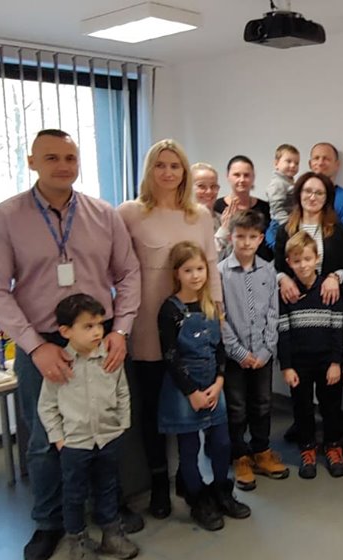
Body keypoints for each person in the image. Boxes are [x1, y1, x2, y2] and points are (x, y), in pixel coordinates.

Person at [0, 128, 141, 560]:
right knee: (45, 438)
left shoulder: (103, 214)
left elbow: (128, 274)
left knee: (105, 426)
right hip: (43, 344)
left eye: (70, 157)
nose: (63, 166)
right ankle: (50, 522)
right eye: (51, 157)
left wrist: (120, 330)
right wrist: (35, 347)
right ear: (32, 162)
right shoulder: (6, 217)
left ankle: (108, 513)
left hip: (99, 338)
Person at [118, 139, 222, 520]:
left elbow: (211, 265)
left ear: (185, 171)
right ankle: (159, 482)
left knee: (190, 404)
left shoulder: (200, 215)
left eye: (175, 165)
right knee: (152, 411)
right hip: (147, 324)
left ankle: (188, 480)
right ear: (149, 170)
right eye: (160, 165)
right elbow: (117, 268)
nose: (167, 172)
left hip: (192, 328)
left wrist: (217, 314)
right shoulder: (129, 213)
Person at [37, 294, 138, 560]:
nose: (97, 332)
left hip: (108, 438)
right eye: (88, 326)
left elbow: (122, 392)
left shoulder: (110, 359)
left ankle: (111, 534)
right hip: (75, 444)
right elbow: (47, 406)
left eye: (99, 324)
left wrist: (122, 425)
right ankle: (78, 541)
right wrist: (59, 439)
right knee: (74, 494)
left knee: (108, 487)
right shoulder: (60, 366)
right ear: (65, 331)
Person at [158, 241, 251, 531]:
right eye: (188, 270)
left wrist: (219, 381)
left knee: (222, 442)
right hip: (185, 390)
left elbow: (219, 348)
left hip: (213, 385)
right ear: (177, 273)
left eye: (200, 269)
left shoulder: (211, 305)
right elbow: (171, 356)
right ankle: (198, 498)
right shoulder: (170, 310)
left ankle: (222, 490)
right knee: (189, 448)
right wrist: (191, 392)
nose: (195, 275)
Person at [218, 210, 287, 492]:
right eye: (240, 236)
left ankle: (261, 450)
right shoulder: (220, 272)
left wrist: (266, 349)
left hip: (262, 354)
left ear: (260, 239)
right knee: (236, 408)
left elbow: (273, 311)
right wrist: (237, 351)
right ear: (231, 237)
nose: (246, 242)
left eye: (252, 237)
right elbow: (219, 316)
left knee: (262, 404)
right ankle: (240, 456)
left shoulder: (268, 270)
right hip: (234, 355)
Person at [278, 232, 343, 479]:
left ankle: (333, 446)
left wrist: (336, 362)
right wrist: (286, 366)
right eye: (297, 261)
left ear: (317, 258)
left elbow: (338, 330)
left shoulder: (329, 290)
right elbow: (283, 332)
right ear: (289, 262)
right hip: (299, 363)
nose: (303, 265)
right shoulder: (286, 293)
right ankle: (307, 448)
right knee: (302, 407)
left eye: (308, 259)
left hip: (327, 362)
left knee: (331, 406)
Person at [274, 171, 343, 306]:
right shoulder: (284, 230)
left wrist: (335, 278)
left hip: (327, 300)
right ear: (299, 194)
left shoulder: (337, 230)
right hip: (293, 301)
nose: (312, 197)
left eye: (319, 193)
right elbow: (276, 268)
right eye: (307, 191)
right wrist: (282, 279)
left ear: (327, 198)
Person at [213, 155, 272, 261]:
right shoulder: (216, 207)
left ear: (253, 177)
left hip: (262, 267)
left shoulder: (266, 208)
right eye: (236, 175)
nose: (242, 179)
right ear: (228, 176)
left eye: (246, 175)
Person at [308, 142, 343, 252]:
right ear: (310, 164)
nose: (320, 163)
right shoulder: (299, 196)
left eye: (326, 159)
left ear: (337, 165)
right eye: (316, 158)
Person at [266, 143, 300, 248]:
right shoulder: (277, 183)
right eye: (288, 161)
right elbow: (277, 207)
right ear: (276, 163)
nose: (293, 165)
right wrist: (287, 225)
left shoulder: (289, 181)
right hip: (280, 223)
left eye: (296, 163)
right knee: (282, 250)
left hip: (290, 222)